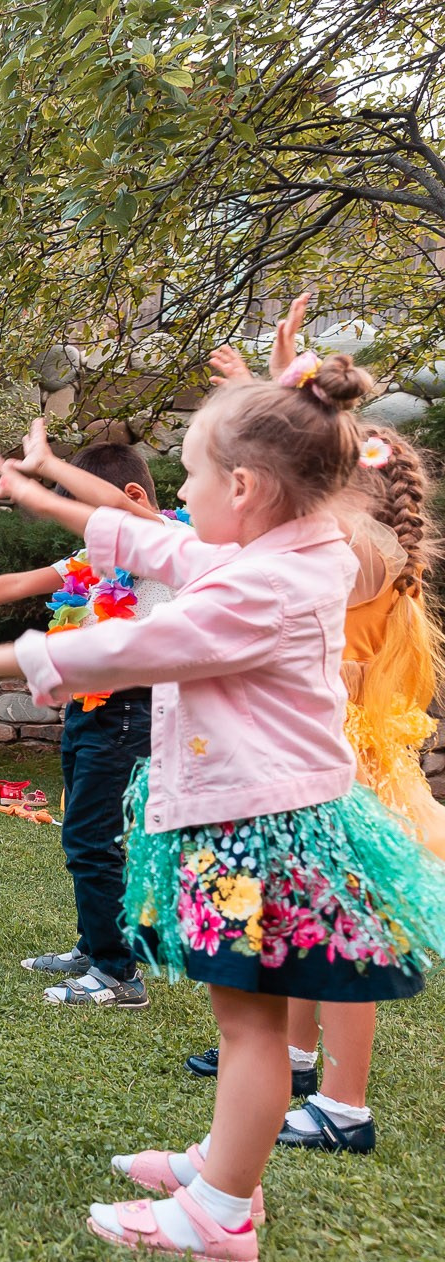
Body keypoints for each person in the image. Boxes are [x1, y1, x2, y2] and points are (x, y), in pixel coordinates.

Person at [0, 354, 445, 1262]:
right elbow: (159, 547)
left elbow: (136, 641)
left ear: (245, 485)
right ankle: (223, 1168)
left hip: (256, 837)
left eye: (190, 477)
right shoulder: (294, 550)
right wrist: (48, 501)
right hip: (274, 824)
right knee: (251, 1027)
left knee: (250, 1028)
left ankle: (222, 1215)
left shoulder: (256, 587)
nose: (179, 498)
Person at [176, 300, 445, 1152]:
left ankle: (344, 1104)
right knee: (300, 925)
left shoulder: (360, 552)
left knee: (342, 941)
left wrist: (275, 388)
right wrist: (271, 384)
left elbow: (288, 490)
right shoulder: (354, 545)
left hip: (352, 773)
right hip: (327, 761)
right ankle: (293, 1061)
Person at [0, 435, 170, 1007]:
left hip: (131, 708)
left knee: (93, 839)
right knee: (84, 834)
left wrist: (47, 469)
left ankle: (119, 975)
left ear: (125, 499)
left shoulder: (160, 542)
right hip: (89, 706)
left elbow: (133, 513)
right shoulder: (93, 560)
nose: (83, 529)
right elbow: (19, 583)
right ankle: (97, 946)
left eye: (88, 513)